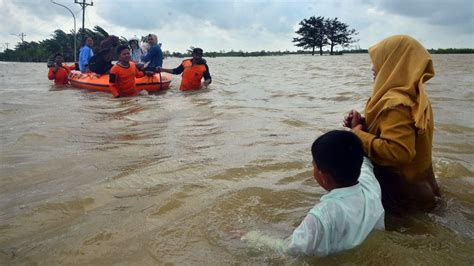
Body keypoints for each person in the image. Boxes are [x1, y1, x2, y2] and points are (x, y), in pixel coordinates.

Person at [241, 130, 385, 257]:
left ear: (324, 177)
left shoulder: (322, 215)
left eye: (314, 165)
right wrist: (357, 130)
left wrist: (250, 236)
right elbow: (364, 162)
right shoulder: (370, 184)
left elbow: (290, 249)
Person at [343, 35, 441, 214]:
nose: (373, 67)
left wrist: (357, 133)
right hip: (424, 192)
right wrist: (365, 126)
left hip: (407, 200)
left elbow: (398, 152)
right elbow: (404, 136)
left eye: (378, 60)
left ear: (393, 63)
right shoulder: (416, 96)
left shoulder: (396, 104)